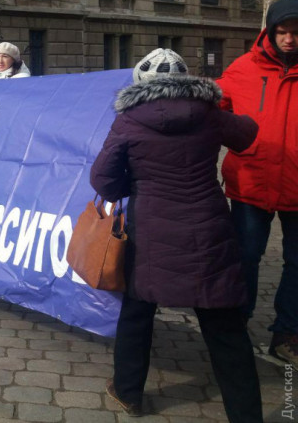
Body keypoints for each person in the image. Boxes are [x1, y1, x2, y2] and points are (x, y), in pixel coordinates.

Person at [90, 49, 262, 422]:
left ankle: (128, 393)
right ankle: (246, 415)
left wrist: (132, 186)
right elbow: (247, 135)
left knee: (137, 312)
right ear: (186, 81)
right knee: (224, 327)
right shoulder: (209, 113)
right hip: (209, 229)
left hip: (150, 230)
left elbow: (101, 179)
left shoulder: (129, 120)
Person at [217, 0, 298, 365]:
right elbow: (213, 110)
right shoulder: (243, 68)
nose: (289, 39)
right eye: (282, 31)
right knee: (246, 257)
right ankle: (237, 326)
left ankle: (287, 334)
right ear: (269, 31)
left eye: (296, 33)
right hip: (251, 182)